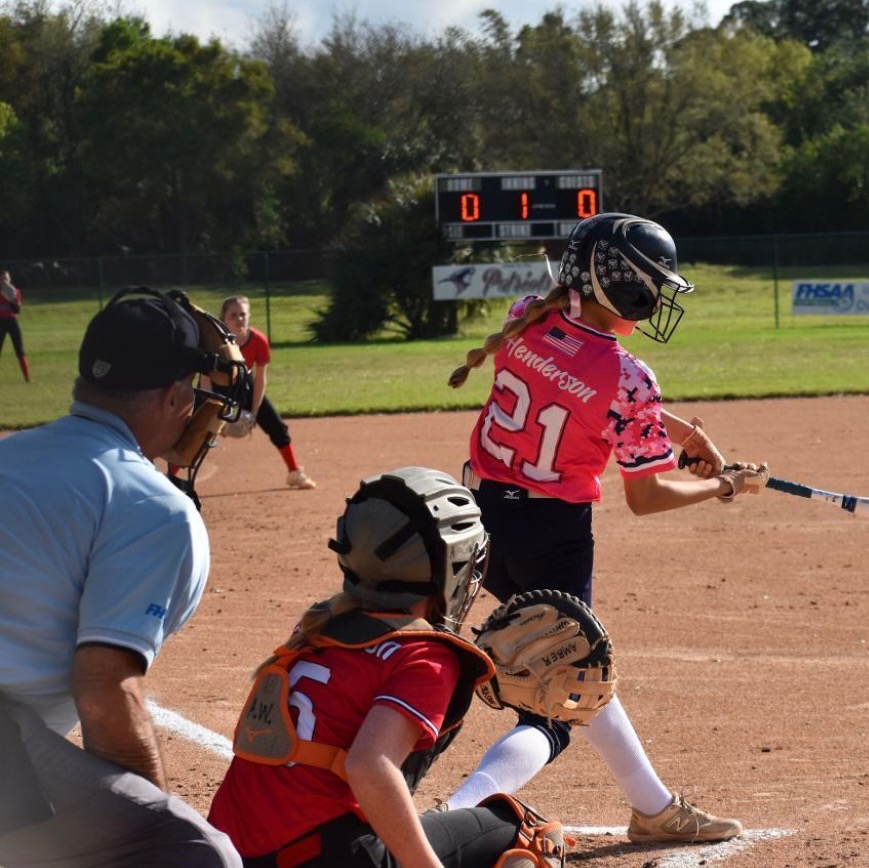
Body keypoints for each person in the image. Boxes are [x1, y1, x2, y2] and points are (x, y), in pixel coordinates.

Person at [446, 212, 768, 844]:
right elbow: (646, 496)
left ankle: (653, 809)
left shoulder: (528, 317)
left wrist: (685, 433)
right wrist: (725, 485)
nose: (657, 297)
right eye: (652, 285)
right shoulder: (630, 377)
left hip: (482, 519)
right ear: (620, 285)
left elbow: (577, 388)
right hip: (552, 537)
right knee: (568, 696)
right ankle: (452, 817)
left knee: (580, 674)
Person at [208, 466, 568, 868]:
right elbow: (368, 767)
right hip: (325, 857)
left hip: (231, 856)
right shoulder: (424, 654)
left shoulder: (316, 626)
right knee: (526, 834)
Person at [0, 288, 241, 867]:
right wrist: (143, 831)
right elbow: (107, 689)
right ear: (173, 395)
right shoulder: (152, 505)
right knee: (198, 855)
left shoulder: (13, 455)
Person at [217, 294, 317, 489]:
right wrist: (216, 415)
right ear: (223, 319)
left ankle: (294, 472)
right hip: (218, 388)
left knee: (278, 428)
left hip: (246, 386)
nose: (239, 319)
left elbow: (260, 378)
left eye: (243, 314)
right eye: (233, 315)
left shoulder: (258, 340)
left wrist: (254, 412)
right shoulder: (216, 341)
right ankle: (171, 479)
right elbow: (205, 379)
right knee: (198, 433)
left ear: (249, 316)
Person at [0, 269, 31, 382]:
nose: (3, 281)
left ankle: (27, 377)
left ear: (9, 279)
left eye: (5, 278)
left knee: (20, 350)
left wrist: (11, 299)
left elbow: (16, 310)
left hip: (12, 322)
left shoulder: (14, 291)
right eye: (1, 279)